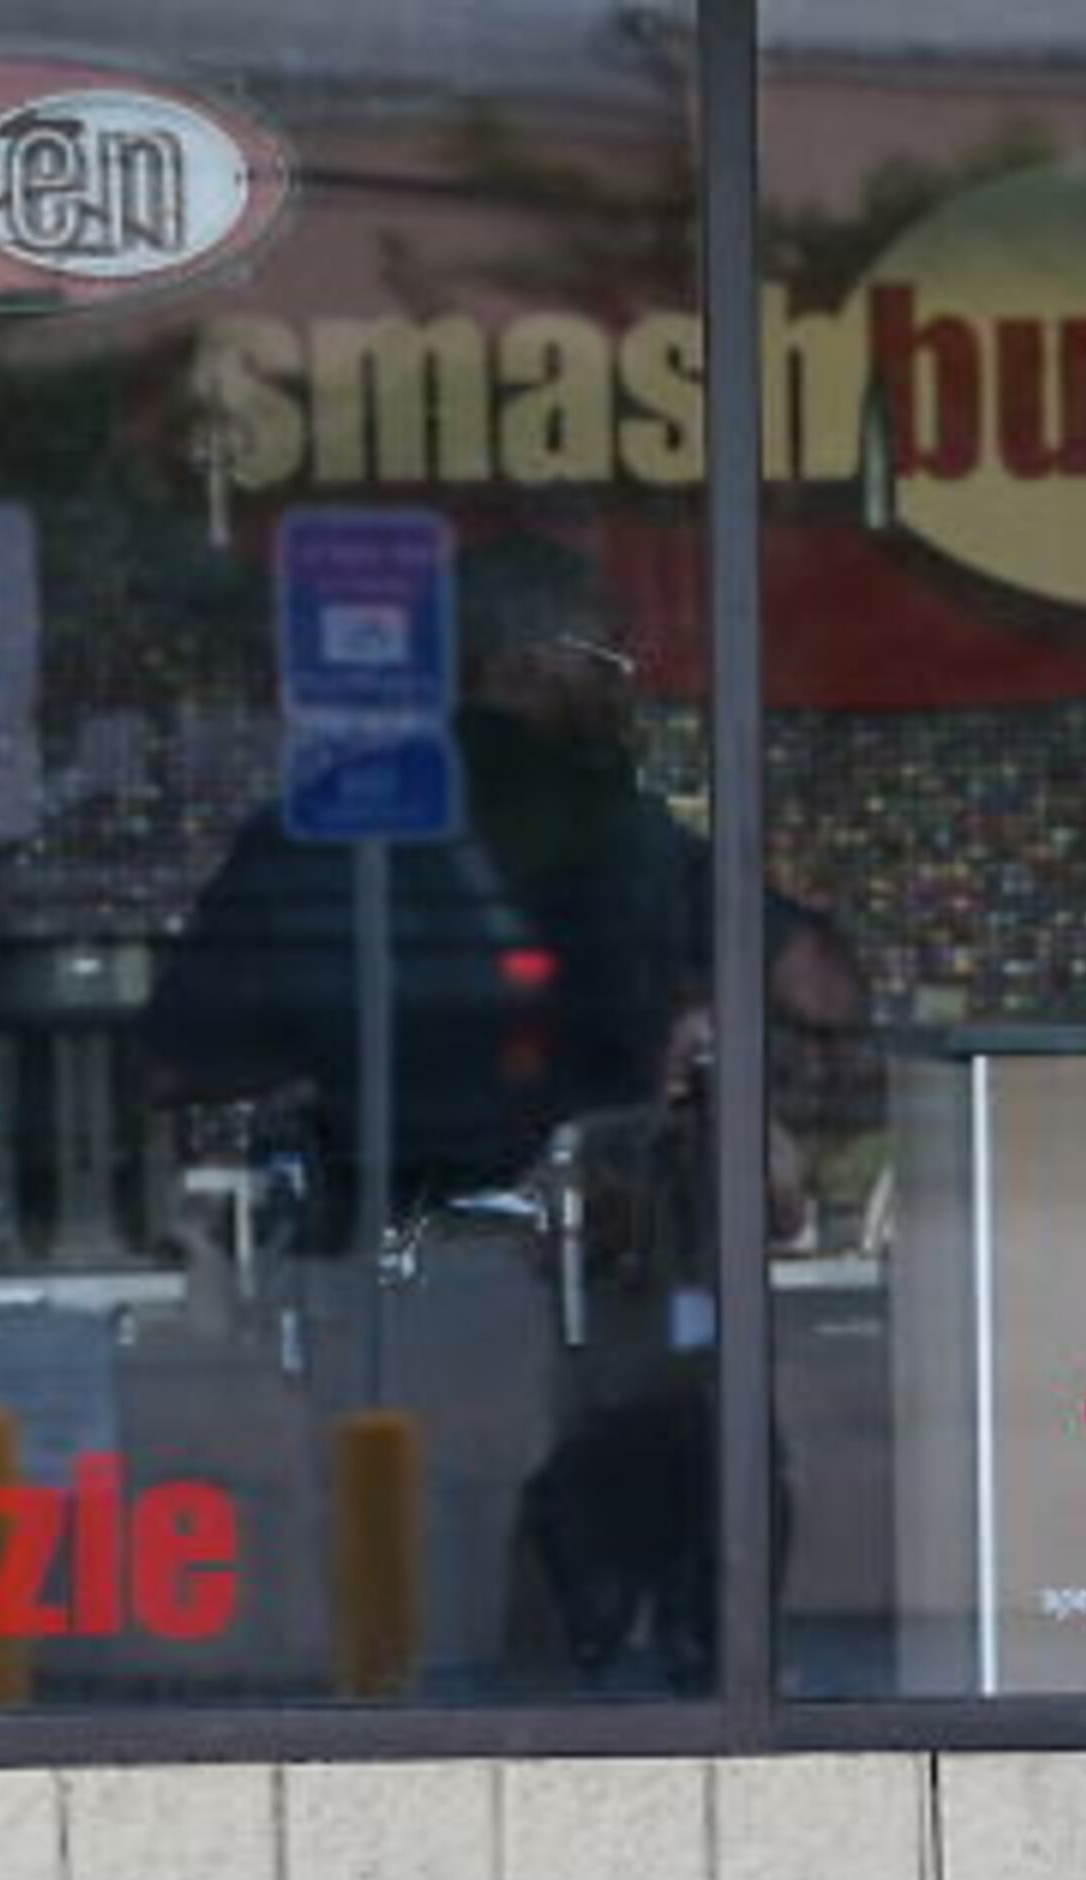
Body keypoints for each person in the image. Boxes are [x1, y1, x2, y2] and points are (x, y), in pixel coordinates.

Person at [144, 531, 866, 1682]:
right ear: (518, 664)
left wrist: (347, 1026)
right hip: (599, 1278)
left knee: (415, 1608)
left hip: (381, 1271)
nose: (623, 676)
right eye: (603, 652)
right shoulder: (618, 827)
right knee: (660, 1568)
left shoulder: (322, 827)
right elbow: (824, 988)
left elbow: (179, 1061)